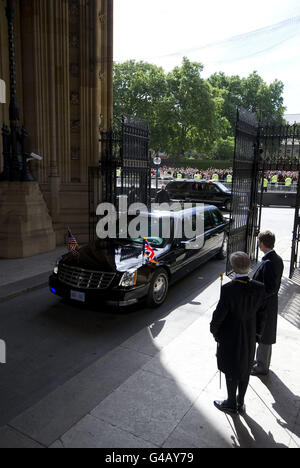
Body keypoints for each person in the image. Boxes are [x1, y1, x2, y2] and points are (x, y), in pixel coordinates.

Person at [210, 252, 267, 414]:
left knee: (230, 368)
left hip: (230, 336)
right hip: (249, 336)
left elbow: (219, 315)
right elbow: (263, 315)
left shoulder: (228, 289)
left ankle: (231, 402)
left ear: (233, 268)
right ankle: (240, 402)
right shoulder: (260, 287)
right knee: (244, 368)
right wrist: (257, 335)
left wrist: (214, 331)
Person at [251, 231, 284, 376]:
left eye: (259, 242)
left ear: (262, 244)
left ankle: (262, 367)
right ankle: (260, 361)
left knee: (264, 337)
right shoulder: (276, 259)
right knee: (263, 335)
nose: (258, 244)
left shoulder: (269, 262)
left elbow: (270, 288)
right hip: (267, 306)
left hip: (265, 307)